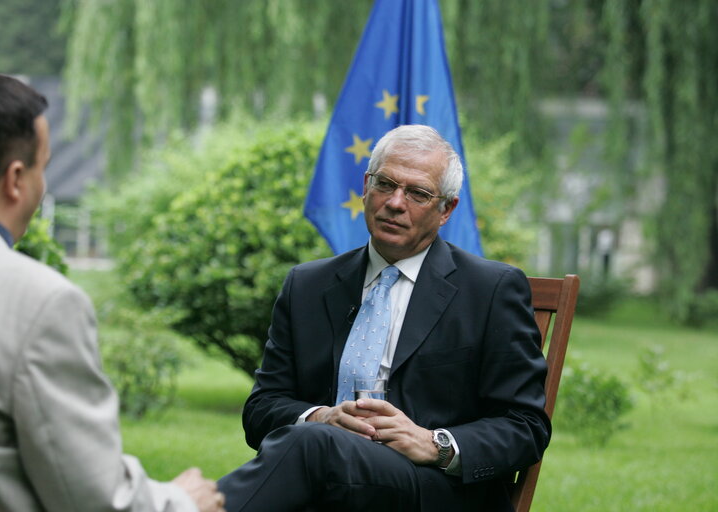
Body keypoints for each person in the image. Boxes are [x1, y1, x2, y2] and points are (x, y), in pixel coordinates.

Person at [217, 124, 551, 511]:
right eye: (385, 184)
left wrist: (434, 444)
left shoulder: (490, 290)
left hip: (431, 489)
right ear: (365, 186)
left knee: (311, 445)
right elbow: (262, 409)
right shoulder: (308, 285)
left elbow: (526, 426)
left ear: (446, 210)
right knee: (315, 441)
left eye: (418, 194)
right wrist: (321, 417)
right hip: (324, 472)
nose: (394, 202)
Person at [0, 72, 225, 512]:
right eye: (44, 166)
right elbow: (93, 498)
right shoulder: (38, 301)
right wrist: (181, 501)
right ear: (16, 179)